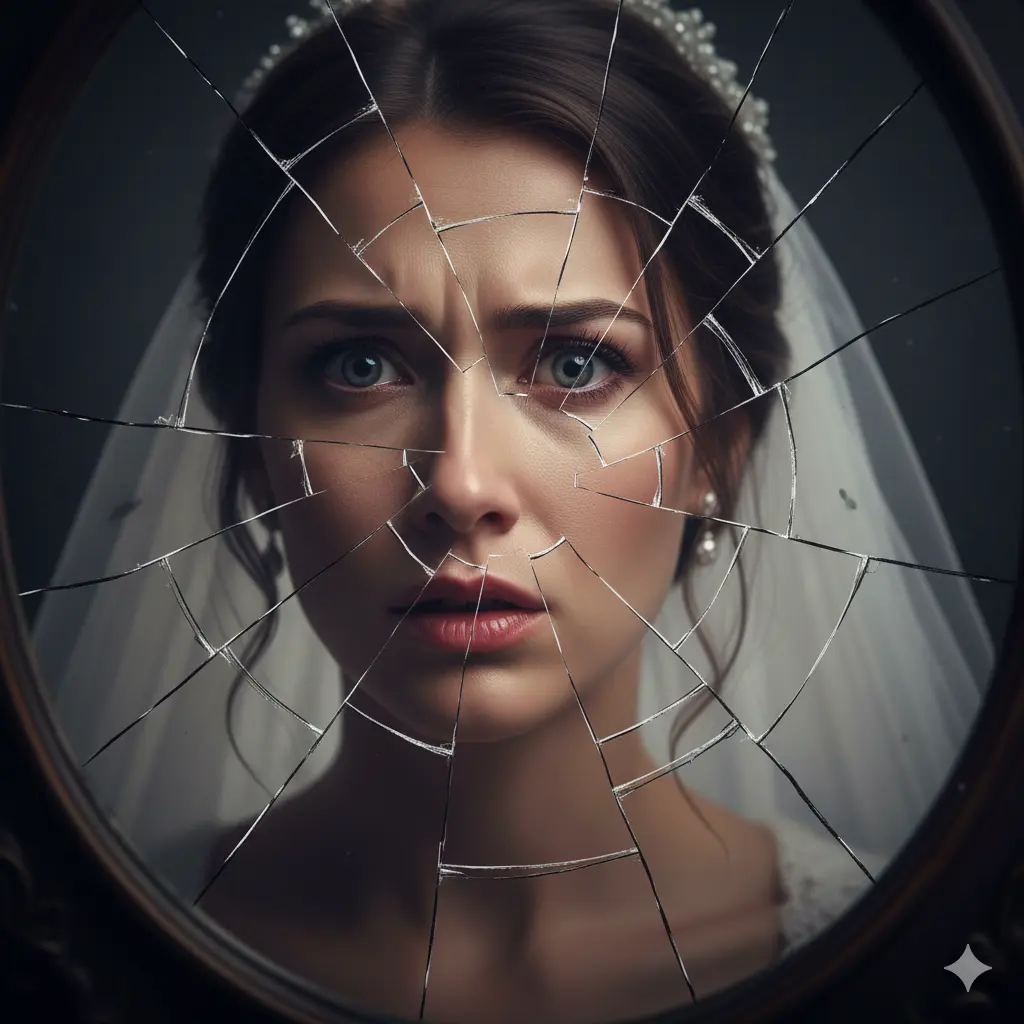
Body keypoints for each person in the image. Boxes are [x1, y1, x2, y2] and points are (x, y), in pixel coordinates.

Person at [32, 1, 993, 1021]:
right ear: (249, 445)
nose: (461, 484)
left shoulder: (924, 965)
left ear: (719, 442)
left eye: (576, 364)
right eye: (359, 365)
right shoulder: (79, 948)